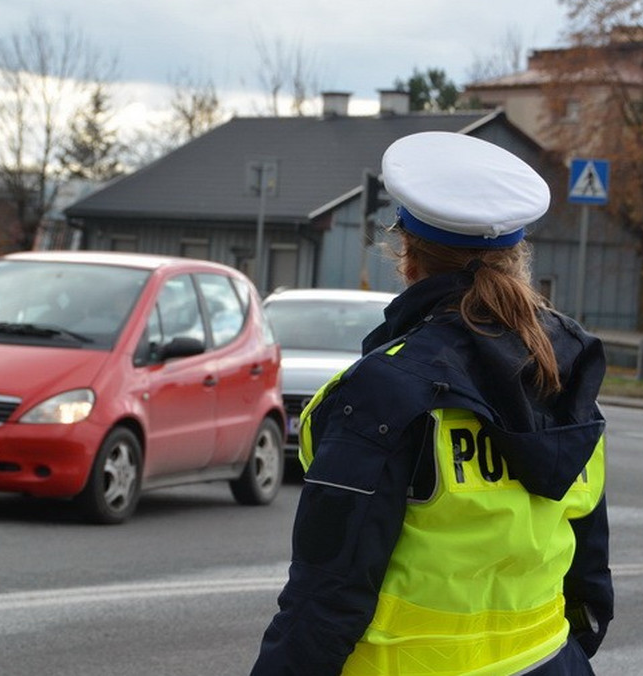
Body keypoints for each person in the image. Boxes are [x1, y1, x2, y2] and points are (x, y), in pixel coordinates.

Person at [250, 131, 612, 676]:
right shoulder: (561, 370)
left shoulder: (385, 389)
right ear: (518, 258)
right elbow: (588, 577)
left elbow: (327, 593)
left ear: (408, 258)